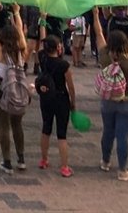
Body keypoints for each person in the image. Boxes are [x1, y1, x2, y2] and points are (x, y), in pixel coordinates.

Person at [91, 6, 128, 181]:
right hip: (127, 101)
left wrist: (95, 14)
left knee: (108, 131)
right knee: (122, 136)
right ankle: (122, 170)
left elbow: (98, 32)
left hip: (108, 101)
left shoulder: (104, 55)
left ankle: (105, 161)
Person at [0, 2, 28, 174]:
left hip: (1, 88)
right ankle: (21, 158)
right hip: (19, 89)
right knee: (18, 125)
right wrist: (16, 13)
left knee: (3, 127)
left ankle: (7, 161)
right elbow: (20, 29)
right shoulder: (21, 50)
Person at [36, 19, 76, 177]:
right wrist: (73, 102)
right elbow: (70, 87)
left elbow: (42, 40)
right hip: (61, 98)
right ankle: (64, 166)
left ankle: (44, 159)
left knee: (46, 128)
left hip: (46, 98)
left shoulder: (42, 58)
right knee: (61, 133)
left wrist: (43, 21)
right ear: (58, 48)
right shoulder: (63, 65)